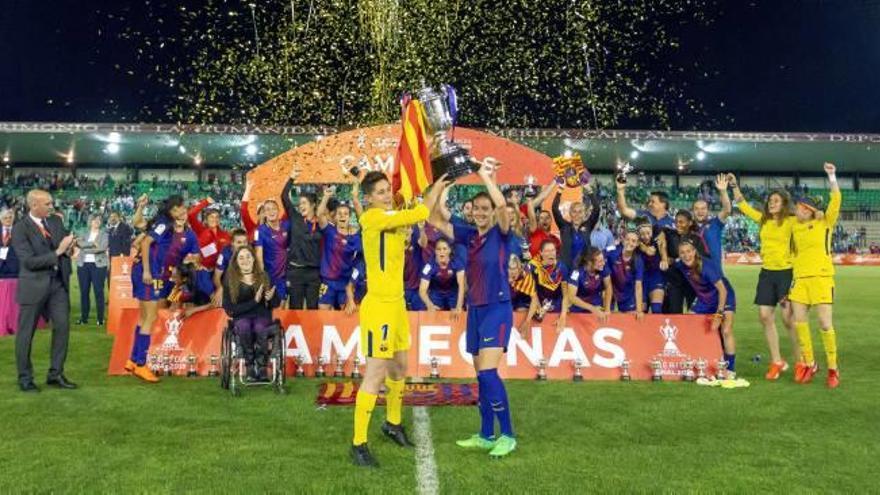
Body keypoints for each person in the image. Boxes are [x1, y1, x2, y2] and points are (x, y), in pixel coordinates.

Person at [350, 170, 443, 467]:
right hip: (378, 307)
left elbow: (414, 217)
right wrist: (435, 185)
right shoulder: (371, 218)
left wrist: (427, 189)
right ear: (368, 198)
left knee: (400, 368)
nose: (386, 194)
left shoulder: (392, 216)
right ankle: (358, 444)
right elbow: (422, 212)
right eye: (379, 191)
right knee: (375, 374)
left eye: (387, 189)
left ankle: (392, 423)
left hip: (397, 304)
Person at [429, 158, 518, 459]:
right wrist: (443, 185)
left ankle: (507, 435)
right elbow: (435, 219)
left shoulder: (502, 233)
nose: (481, 213)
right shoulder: (468, 235)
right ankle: (485, 434)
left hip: (498, 308)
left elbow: (504, 207)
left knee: (490, 373)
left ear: (492, 212)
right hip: (476, 310)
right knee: (480, 376)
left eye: (485, 209)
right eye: (476, 209)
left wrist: (484, 176)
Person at [731, 177, 801, 380]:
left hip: (787, 273)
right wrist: (735, 186)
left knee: (789, 320)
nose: (772, 203)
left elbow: (810, 216)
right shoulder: (763, 220)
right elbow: (742, 205)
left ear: (784, 204)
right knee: (764, 316)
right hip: (767, 273)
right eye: (770, 200)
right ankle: (777, 361)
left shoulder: (791, 221)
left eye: (776, 201)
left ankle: (801, 362)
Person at [125, 196, 199, 383]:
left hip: (147, 271)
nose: (182, 211)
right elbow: (145, 242)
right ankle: (142, 364)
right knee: (151, 317)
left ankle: (133, 360)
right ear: (171, 211)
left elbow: (141, 227)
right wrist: (148, 271)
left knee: (144, 317)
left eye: (182, 208)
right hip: (150, 274)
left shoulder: (171, 226)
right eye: (177, 209)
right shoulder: (164, 223)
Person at [11, 189, 77, 392]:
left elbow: (64, 246)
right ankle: (25, 377)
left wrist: (70, 248)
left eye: (51, 203)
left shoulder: (56, 222)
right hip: (34, 285)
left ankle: (55, 374)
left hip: (57, 284)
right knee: (25, 334)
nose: (51, 206)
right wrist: (58, 251)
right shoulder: (20, 228)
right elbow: (29, 262)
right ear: (33, 206)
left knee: (62, 328)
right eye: (47, 204)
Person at [789, 163, 841, 388]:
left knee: (824, 323)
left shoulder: (825, 222)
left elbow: (836, 199)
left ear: (808, 210)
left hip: (821, 278)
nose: (796, 210)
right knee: (800, 323)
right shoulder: (794, 226)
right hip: (800, 279)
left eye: (800, 208)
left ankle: (832, 368)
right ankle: (810, 363)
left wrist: (831, 176)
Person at [675, 237, 739, 381]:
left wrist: (719, 314)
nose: (686, 255)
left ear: (695, 252)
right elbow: (671, 262)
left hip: (724, 296)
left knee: (726, 330)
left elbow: (722, 290)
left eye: (689, 251)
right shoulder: (681, 265)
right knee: (688, 324)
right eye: (682, 253)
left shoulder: (706, 266)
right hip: (704, 300)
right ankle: (694, 361)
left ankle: (730, 369)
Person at [222, 245, 282, 382]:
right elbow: (230, 309)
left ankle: (261, 367)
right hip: (241, 317)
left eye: (248, 256)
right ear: (236, 261)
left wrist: (270, 298)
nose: (245, 260)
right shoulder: (230, 279)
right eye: (241, 258)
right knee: (244, 326)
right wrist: (254, 302)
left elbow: (275, 303)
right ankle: (249, 366)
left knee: (260, 327)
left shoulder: (263, 276)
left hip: (262, 316)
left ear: (254, 259)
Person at [280, 169, 322, 309]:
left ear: (313, 205)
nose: (300, 206)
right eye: (300, 203)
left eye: (304, 203)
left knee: (312, 309)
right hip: (296, 271)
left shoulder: (321, 223)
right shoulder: (295, 217)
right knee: (295, 309)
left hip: (313, 273)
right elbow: (284, 196)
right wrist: (291, 178)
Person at [316, 187, 361, 310]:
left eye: (346, 214)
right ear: (335, 217)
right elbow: (319, 214)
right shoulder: (329, 231)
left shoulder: (355, 237)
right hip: (328, 281)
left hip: (346, 283)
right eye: (339, 213)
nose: (342, 216)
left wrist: (355, 198)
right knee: (323, 309)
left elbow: (362, 220)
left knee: (347, 313)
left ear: (349, 217)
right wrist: (325, 196)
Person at [187, 197, 231, 305]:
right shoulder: (200, 230)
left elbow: (229, 252)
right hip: (204, 269)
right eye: (211, 216)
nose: (214, 219)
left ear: (220, 219)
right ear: (206, 219)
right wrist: (205, 202)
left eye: (217, 217)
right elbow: (191, 215)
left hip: (220, 271)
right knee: (203, 281)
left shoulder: (225, 235)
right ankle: (213, 301)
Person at [657, 210, 703, 314]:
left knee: (694, 315)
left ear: (690, 223)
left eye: (681, 222)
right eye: (676, 222)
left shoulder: (696, 238)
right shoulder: (669, 233)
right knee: (674, 313)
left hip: (692, 282)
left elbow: (697, 259)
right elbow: (660, 237)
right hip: (674, 282)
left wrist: (673, 260)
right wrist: (664, 257)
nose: (678, 224)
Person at [552, 180, 600, 268]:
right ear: (570, 213)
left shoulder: (588, 225)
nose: (577, 215)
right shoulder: (564, 226)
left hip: (583, 269)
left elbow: (596, 208)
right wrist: (560, 189)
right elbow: (555, 208)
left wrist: (589, 190)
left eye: (580, 212)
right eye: (574, 211)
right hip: (565, 269)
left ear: (584, 214)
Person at [254, 196, 290, 307]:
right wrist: (263, 281)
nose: (271, 211)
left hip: (284, 276)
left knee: (281, 307)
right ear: (264, 214)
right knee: (270, 308)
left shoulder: (287, 225)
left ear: (279, 211)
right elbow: (259, 258)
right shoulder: (260, 231)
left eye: (273, 208)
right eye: (267, 210)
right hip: (269, 276)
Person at [692, 174, 733, 270]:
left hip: (714, 273)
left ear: (708, 211)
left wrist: (723, 191)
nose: (700, 211)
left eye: (703, 209)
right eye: (696, 209)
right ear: (692, 211)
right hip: (695, 274)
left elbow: (727, 210)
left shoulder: (715, 223)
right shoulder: (689, 227)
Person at [75, 215, 109, 326]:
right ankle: (84, 318)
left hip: (98, 266)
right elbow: (79, 244)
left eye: (99, 220)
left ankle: (100, 318)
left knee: (98, 292)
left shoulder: (104, 234)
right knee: (84, 292)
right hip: (83, 265)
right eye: (94, 220)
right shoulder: (83, 232)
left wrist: (86, 249)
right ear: (90, 221)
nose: (96, 222)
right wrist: (92, 244)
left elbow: (102, 248)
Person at [528, 240, 570, 329]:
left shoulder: (562, 268)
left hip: (557, 302)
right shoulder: (534, 267)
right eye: (547, 251)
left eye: (553, 250)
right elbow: (533, 292)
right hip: (538, 302)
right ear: (541, 253)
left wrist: (563, 316)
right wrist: (540, 309)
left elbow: (566, 295)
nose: (551, 253)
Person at [419, 238, 465, 315]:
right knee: (433, 312)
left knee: (458, 313)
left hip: (453, 293)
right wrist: (430, 305)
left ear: (449, 250)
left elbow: (462, 285)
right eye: (438, 249)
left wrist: (459, 306)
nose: (441, 252)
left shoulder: (457, 262)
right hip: (436, 293)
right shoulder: (429, 266)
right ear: (435, 251)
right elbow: (422, 290)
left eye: (444, 249)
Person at [565, 246, 612, 322]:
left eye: (603, 260)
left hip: (598, 307)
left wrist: (607, 309)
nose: (603, 263)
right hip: (578, 310)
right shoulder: (576, 272)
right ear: (589, 262)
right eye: (600, 261)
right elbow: (571, 297)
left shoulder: (603, 268)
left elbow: (608, 287)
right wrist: (592, 309)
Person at [606, 230, 645, 318]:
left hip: (628, 295)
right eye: (627, 239)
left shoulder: (638, 261)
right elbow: (598, 257)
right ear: (623, 240)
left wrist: (639, 311)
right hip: (611, 292)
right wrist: (607, 308)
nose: (630, 243)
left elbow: (638, 286)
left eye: (633, 241)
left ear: (637, 244)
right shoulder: (612, 252)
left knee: (629, 321)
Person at [636, 219, 667, 314]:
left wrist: (664, 259)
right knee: (642, 311)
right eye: (642, 234)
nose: (645, 236)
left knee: (656, 309)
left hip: (656, 276)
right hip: (641, 279)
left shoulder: (657, 238)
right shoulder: (636, 243)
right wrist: (645, 249)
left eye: (648, 233)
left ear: (652, 231)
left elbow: (662, 245)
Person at [213, 228, 250, 305]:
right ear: (232, 243)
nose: (242, 245)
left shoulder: (249, 251)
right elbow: (216, 276)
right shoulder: (224, 253)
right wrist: (220, 288)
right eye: (239, 242)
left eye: (244, 242)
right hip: (228, 283)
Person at [525, 182, 562, 258]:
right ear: (538, 221)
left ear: (551, 220)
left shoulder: (556, 240)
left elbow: (558, 258)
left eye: (547, 218)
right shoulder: (534, 232)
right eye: (541, 218)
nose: (544, 220)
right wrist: (529, 200)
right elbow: (531, 216)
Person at [1, 208, 21, 336]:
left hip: (15, 269)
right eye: (5, 218)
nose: (8, 220)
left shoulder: (19, 232)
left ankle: (14, 322)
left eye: (10, 217)